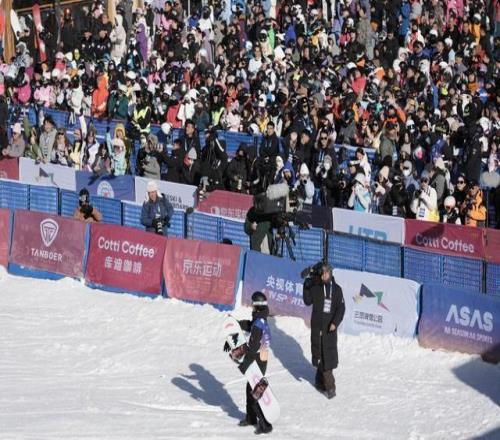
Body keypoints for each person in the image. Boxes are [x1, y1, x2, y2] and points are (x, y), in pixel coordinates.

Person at [303, 263, 345, 399]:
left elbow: (341, 308)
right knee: (318, 355)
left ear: (330, 273)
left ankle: (330, 387)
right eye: (322, 273)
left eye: (326, 273)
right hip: (317, 328)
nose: (324, 275)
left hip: (329, 329)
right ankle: (319, 382)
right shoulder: (316, 287)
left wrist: (335, 323)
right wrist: (306, 285)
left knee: (327, 357)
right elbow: (307, 301)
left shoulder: (337, 290)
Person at [234, 291, 273, 434]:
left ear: (257, 305)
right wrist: (237, 323)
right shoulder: (260, 319)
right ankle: (251, 418)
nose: (251, 306)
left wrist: (244, 364)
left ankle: (265, 424)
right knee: (250, 388)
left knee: (255, 391)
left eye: (253, 304)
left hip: (257, 359)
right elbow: (250, 325)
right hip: (261, 357)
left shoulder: (258, 324)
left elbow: (253, 347)